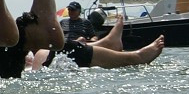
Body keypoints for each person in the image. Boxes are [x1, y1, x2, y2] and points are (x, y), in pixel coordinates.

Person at [31, 15, 165, 70]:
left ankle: (107, 43)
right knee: (65, 47)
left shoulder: (84, 23)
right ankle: (136, 57)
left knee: (61, 47)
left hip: (38, 59)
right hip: (37, 64)